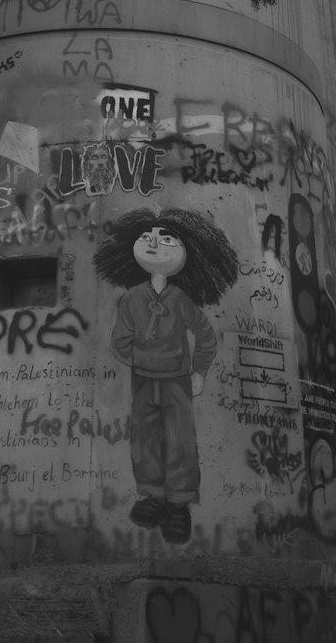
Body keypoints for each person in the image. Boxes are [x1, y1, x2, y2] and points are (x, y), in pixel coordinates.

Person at [94, 207, 238, 543]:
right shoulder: (131, 299)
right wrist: (145, 359)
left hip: (177, 383)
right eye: (147, 238)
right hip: (143, 382)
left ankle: (178, 505)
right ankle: (153, 496)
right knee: (145, 440)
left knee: (180, 442)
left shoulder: (181, 299)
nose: (154, 243)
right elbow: (119, 343)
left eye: (166, 239)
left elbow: (205, 336)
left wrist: (199, 371)